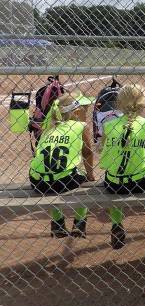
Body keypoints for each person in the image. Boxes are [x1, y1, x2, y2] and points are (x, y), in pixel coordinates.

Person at [100, 84, 145, 250]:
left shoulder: (108, 126)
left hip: (114, 185)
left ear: (119, 103)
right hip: (142, 183)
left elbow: (104, 153)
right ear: (143, 103)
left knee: (114, 172)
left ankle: (116, 224)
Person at [29, 91, 95, 238]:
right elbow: (87, 153)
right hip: (65, 181)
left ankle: (57, 223)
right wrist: (90, 175)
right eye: (84, 109)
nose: (86, 111)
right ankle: (79, 223)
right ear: (76, 112)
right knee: (84, 183)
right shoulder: (80, 126)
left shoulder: (48, 127)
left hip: (37, 182)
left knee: (54, 174)